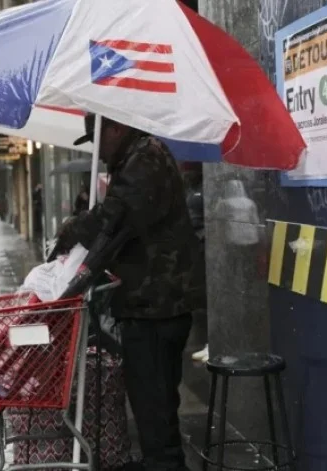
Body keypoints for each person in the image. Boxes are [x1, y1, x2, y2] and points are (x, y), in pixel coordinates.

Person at [61, 114, 205, 471]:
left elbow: (114, 219)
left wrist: (73, 229)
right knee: (154, 415)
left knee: (156, 419)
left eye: (99, 138)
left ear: (117, 128)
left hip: (156, 308)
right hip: (149, 305)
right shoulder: (136, 158)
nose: (99, 147)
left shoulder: (145, 159)